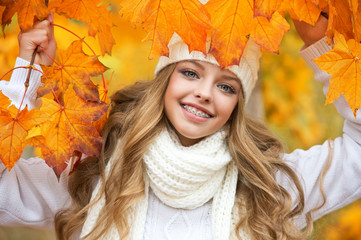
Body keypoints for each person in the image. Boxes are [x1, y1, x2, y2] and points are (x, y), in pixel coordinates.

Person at [0, 8, 360, 240]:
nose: (204, 93)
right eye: (190, 72)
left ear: (237, 104)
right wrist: (25, 78)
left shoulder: (270, 187)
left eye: (226, 86)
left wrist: (324, 51)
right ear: (164, 79)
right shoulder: (92, 174)